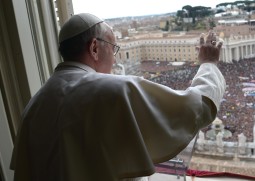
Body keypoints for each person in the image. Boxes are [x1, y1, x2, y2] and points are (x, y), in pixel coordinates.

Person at [10, 13, 226, 181]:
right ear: (94, 48)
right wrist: (208, 64)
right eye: (113, 48)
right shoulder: (114, 90)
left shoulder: (34, 104)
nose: (114, 58)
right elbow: (195, 108)